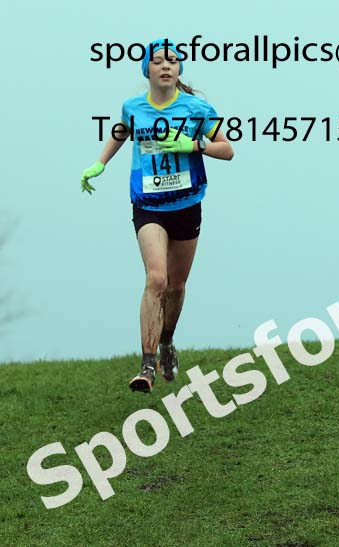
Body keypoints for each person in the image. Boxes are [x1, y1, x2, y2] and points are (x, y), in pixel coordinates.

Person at [80, 39, 234, 392]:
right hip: (148, 206)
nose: (166, 66)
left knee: (177, 286)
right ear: (147, 70)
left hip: (186, 204)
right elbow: (123, 129)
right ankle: (146, 366)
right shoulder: (133, 107)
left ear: (179, 70)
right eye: (159, 61)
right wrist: (99, 163)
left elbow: (228, 150)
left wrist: (194, 144)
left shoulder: (197, 109)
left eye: (173, 61)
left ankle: (167, 341)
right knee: (156, 278)